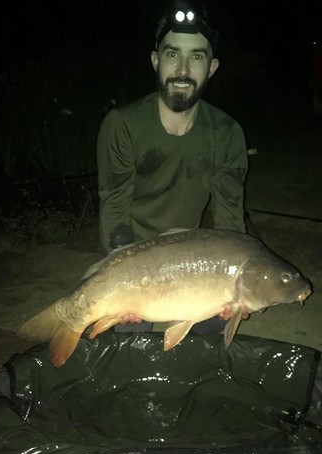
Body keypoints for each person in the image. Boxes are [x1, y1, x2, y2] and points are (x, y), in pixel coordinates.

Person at [96, 1, 250, 332]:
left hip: (193, 258)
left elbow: (229, 218)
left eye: (196, 57)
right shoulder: (122, 124)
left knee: (216, 321)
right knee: (127, 336)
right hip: (132, 253)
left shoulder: (227, 133)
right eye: (172, 54)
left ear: (212, 67)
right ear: (156, 60)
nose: (182, 70)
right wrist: (125, 267)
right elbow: (114, 206)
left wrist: (238, 279)